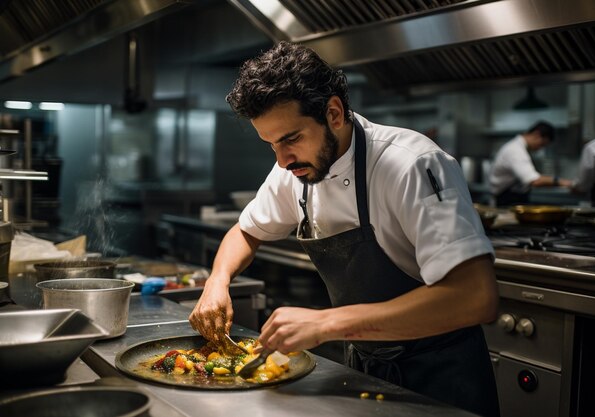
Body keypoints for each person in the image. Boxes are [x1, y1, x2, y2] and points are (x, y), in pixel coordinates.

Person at [189, 41, 500, 417]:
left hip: (443, 377)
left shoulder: (410, 164)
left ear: (334, 113)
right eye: (271, 145)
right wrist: (217, 282)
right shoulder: (294, 170)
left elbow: (475, 296)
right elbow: (246, 231)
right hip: (365, 369)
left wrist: (325, 323)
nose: (283, 160)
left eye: (291, 139)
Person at [488, 121, 569, 206]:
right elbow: (534, 180)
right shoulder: (515, 150)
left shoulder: (521, 148)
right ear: (536, 134)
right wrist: (562, 182)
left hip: (514, 198)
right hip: (504, 201)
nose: (540, 149)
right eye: (542, 144)